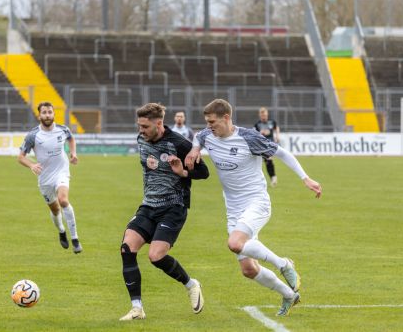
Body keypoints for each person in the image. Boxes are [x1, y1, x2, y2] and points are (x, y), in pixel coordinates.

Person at [185, 99, 321, 316]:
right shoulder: (207, 135)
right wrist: (194, 149)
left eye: (213, 122)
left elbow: (282, 153)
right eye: (207, 122)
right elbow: (198, 137)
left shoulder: (249, 138)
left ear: (227, 118)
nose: (209, 126)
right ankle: (289, 295)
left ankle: (284, 264)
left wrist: (306, 178)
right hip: (233, 209)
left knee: (234, 243)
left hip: (257, 202)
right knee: (248, 269)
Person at [119, 103, 209, 321]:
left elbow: (204, 172)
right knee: (127, 248)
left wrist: (183, 171)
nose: (140, 130)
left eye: (145, 126)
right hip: (149, 205)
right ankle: (137, 308)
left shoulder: (178, 143)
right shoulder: (141, 139)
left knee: (155, 256)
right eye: (139, 125)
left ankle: (191, 284)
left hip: (173, 207)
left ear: (158, 123)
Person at [18, 101, 83, 254]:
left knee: (63, 200)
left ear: (54, 114)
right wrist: (32, 165)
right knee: (55, 210)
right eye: (44, 113)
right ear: (39, 115)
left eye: (50, 112)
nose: (47, 115)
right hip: (45, 178)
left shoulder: (63, 129)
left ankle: (75, 239)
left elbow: (71, 138)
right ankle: (61, 230)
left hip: (61, 172)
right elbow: (20, 157)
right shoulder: (33, 135)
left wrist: (73, 154)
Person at [254, 107, 280, 187]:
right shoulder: (257, 124)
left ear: (267, 114)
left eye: (265, 115)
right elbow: (254, 135)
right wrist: (260, 133)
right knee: (260, 163)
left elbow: (277, 127)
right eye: (262, 116)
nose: (263, 117)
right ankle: (271, 178)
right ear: (260, 115)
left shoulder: (272, 122)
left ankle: (273, 177)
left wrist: (277, 136)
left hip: (269, 145)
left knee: (268, 160)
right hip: (260, 146)